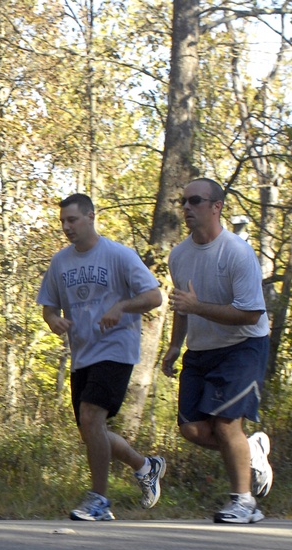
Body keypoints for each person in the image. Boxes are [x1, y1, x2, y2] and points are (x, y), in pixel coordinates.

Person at [38, 193, 165, 521]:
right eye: (63, 221)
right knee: (90, 429)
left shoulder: (118, 255)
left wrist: (121, 306)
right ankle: (144, 465)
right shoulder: (60, 262)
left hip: (116, 348)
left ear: (91, 216)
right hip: (83, 353)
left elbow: (154, 295)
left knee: (92, 416)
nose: (66, 227)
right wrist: (54, 321)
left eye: (72, 220)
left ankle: (99, 500)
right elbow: (48, 307)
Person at [161, 178, 274, 524]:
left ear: (216, 206)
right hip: (201, 347)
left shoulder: (237, 252)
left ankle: (245, 503)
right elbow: (183, 305)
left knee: (226, 424)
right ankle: (251, 449)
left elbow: (251, 313)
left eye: (195, 201)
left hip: (243, 345)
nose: (187, 208)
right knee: (192, 429)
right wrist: (174, 345)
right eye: (183, 202)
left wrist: (197, 308)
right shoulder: (178, 256)